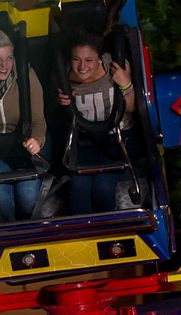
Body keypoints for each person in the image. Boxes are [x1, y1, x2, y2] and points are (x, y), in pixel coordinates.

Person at [0, 28, 47, 221]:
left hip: (22, 147)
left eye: (10, 58)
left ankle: (29, 234)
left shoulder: (26, 75)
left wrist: (37, 139)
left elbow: (39, 119)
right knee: (2, 200)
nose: (5, 65)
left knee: (28, 198)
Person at [57, 28, 136, 214]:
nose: (82, 67)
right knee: (79, 190)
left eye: (89, 60)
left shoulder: (114, 66)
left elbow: (132, 108)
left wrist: (126, 84)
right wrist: (61, 101)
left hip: (117, 138)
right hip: (86, 141)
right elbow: (60, 110)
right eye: (76, 59)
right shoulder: (64, 74)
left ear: (99, 58)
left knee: (102, 189)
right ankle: (81, 238)